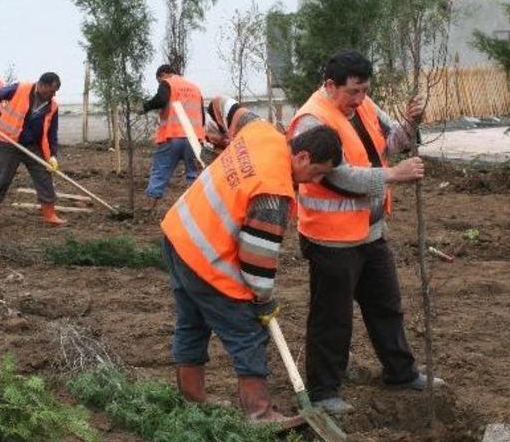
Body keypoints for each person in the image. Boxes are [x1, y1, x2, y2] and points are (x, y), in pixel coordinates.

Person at [160, 103, 342, 427]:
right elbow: (256, 262)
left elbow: (222, 104)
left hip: (178, 233)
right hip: (205, 257)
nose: (315, 181)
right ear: (301, 157)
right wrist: (264, 300)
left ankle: (191, 399)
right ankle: (259, 413)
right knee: (247, 331)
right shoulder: (274, 192)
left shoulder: (262, 131)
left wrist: (217, 139)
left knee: (191, 322)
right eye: (317, 172)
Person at [286, 50, 445, 415]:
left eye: (364, 91)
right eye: (352, 92)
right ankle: (324, 392)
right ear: (330, 85)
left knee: (386, 305)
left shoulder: (364, 105)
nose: (359, 100)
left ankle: (401, 373)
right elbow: (341, 176)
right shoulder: (311, 121)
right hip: (330, 238)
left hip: (369, 232)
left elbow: (390, 143)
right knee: (332, 317)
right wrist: (394, 175)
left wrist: (410, 124)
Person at [0, 72, 65, 229]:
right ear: (42, 84)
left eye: (55, 92)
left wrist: (52, 156)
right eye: (51, 90)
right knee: (0, 178)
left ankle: (49, 215)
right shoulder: (21, 88)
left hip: (33, 146)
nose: (53, 94)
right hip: (9, 142)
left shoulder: (52, 106)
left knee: (44, 176)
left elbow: (52, 133)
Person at [142, 65, 206, 211]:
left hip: (172, 136)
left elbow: (161, 99)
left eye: (159, 81)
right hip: (193, 139)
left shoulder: (168, 83)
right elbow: (201, 115)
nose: (159, 84)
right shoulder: (195, 88)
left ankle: (149, 207)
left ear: (164, 74)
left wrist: (144, 107)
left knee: (160, 169)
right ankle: (198, 208)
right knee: (193, 174)